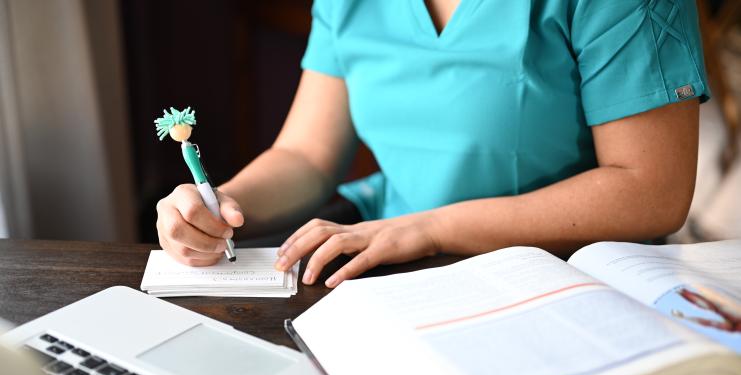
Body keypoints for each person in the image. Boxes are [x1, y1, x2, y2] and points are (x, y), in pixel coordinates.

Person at [156, 0, 709, 288]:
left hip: (568, 273)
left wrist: (429, 228)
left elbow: (651, 191)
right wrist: (217, 206)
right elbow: (305, 157)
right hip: (384, 271)